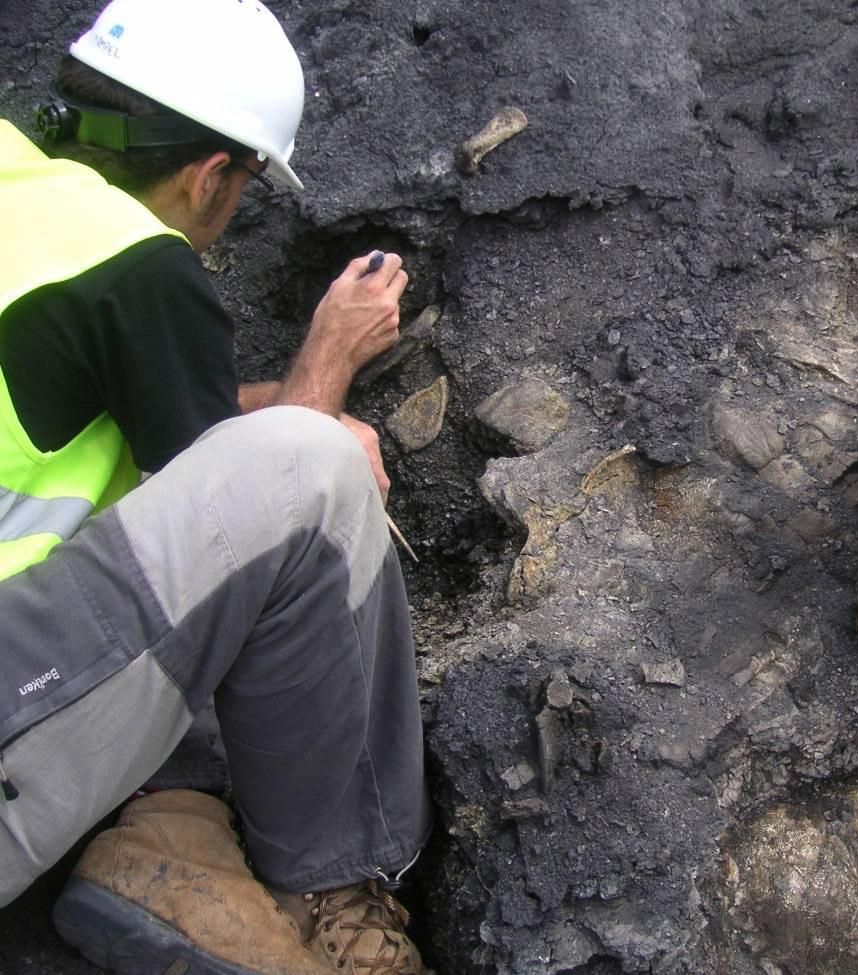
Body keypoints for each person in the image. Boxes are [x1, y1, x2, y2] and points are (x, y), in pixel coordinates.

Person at [0, 0, 433, 972]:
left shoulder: (26, 200)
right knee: (310, 477)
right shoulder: (135, 267)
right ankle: (327, 885)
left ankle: (174, 825)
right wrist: (322, 372)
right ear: (210, 177)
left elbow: (99, 418)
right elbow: (228, 521)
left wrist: (280, 403)